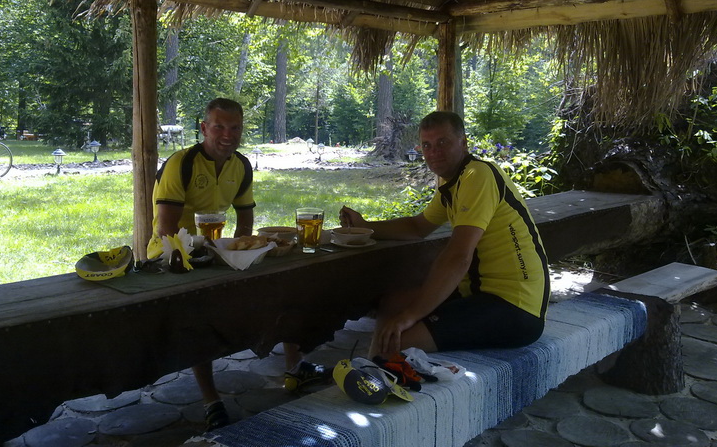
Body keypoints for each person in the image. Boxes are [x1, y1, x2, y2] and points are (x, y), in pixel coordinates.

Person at [147, 98, 328, 432]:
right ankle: (211, 400)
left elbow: (245, 218)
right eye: (219, 127)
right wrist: (213, 254)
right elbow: (166, 229)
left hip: (216, 249)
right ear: (204, 128)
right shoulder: (181, 163)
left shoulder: (241, 165)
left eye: (235, 128)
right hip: (172, 254)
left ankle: (295, 367)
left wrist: (245, 249)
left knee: (283, 282)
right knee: (200, 310)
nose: (227, 135)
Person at [340, 111, 549, 363]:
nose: (434, 152)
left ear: (463, 142)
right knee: (393, 303)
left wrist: (410, 316)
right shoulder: (453, 184)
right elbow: (417, 227)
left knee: (396, 343)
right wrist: (365, 226)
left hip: (515, 306)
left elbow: (458, 256)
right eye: (427, 145)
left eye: (442, 142)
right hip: (477, 292)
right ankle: (378, 369)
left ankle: (377, 369)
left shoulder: (478, 175)